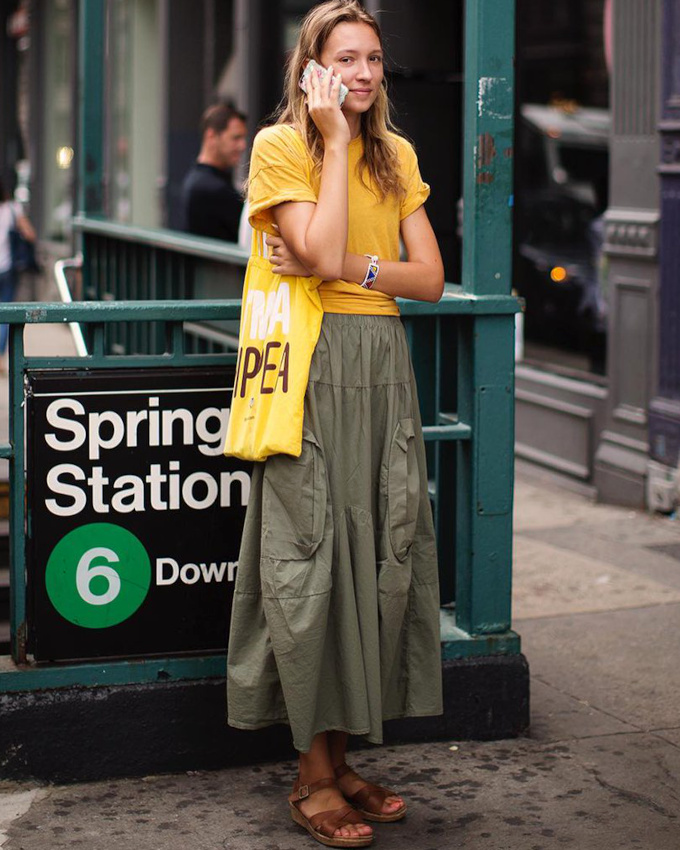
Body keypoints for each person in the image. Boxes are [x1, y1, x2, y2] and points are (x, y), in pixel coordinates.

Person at [226, 1, 444, 846]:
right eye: (345, 58)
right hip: (313, 371)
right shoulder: (282, 146)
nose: (361, 73)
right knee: (312, 556)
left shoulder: (399, 156)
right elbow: (307, 250)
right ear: (311, 67)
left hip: (382, 367)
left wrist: (354, 264)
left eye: (374, 60)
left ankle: (342, 757)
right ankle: (312, 777)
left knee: (377, 552)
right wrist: (337, 141)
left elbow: (427, 279)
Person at [181, 103, 247, 242]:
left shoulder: (199, 180)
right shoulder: (211, 188)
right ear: (211, 136)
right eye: (235, 138)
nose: (242, 146)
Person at [0, 176, 36, 358]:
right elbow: (30, 234)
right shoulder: (12, 209)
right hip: (7, 267)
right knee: (5, 311)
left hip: (8, 269)